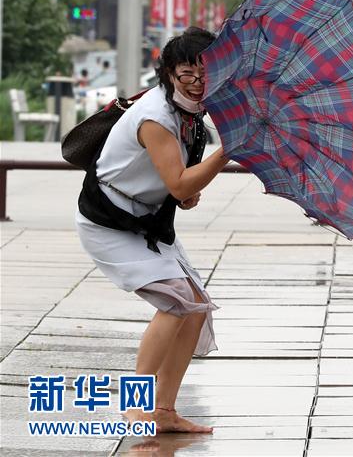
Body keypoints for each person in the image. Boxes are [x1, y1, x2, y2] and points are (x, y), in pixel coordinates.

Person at [75, 27, 230, 433]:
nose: (197, 83)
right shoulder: (156, 116)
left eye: (206, 73)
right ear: (168, 73)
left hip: (148, 219)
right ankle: (134, 408)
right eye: (187, 74)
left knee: (194, 307)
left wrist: (185, 192)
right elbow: (180, 183)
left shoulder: (192, 114)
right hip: (108, 221)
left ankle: (164, 411)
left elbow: (179, 187)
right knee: (177, 299)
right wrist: (228, 151)